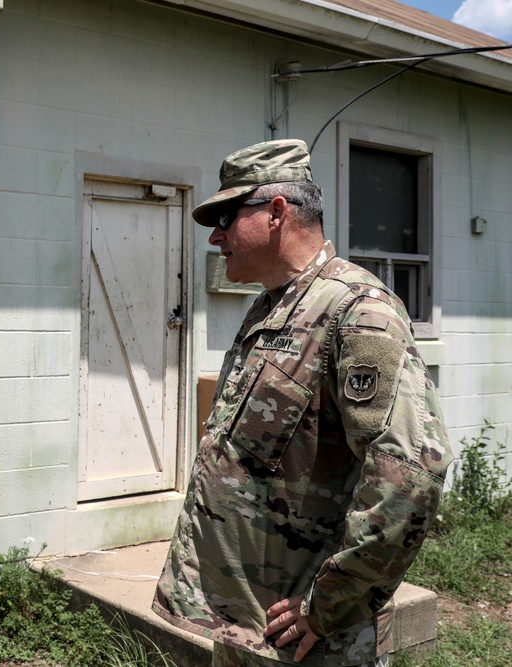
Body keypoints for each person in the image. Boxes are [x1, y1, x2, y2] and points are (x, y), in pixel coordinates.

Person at [152, 140, 453, 667]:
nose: (215, 235)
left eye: (225, 215)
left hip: (310, 641)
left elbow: (410, 475)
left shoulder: (358, 311)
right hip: (249, 625)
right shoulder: (273, 306)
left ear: (275, 212)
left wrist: (329, 605)